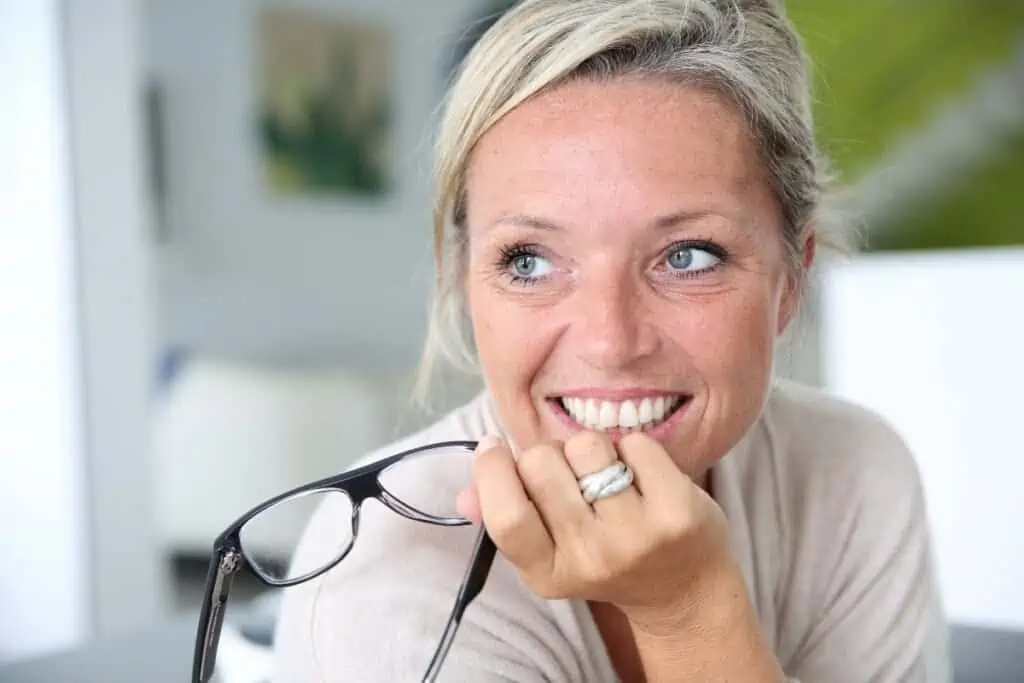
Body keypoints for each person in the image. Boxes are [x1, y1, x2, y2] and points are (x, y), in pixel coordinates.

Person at [272, 0, 951, 680]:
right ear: (461, 278)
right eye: (530, 261)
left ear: (792, 278)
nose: (610, 342)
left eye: (688, 255)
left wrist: (688, 610)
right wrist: (684, 609)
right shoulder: (381, 569)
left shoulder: (854, 475)